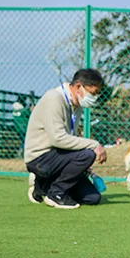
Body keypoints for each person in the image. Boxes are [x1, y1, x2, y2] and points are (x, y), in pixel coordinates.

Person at [24, 69, 107, 209]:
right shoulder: (54, 98)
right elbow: (58, 139)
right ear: (79, 86)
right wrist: (94, 145)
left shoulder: (77, 105)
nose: (95, 97)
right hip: (40, 157)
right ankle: (55, 194)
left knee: (92, 198)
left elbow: (71, 137)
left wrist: (82, 165)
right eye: (93, 93)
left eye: (97, 93)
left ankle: (42, 186)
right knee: (88, 154)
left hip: (57, 156)